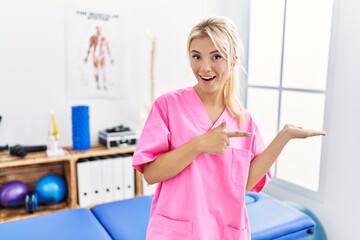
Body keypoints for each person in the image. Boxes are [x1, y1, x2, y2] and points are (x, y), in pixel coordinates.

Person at [132, 16, 326, 240]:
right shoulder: (168, 106)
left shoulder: (244, 121)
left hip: (225, 232)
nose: (204, 67)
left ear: (233, 61)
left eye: (216, 56)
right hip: (177, 232)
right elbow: (151, 174)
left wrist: (284, 136)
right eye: (196, 57)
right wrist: (198, 145)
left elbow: (244, 184)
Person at [84, 26, 114, 90]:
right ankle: (97, 85)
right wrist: (87, 57)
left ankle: (104, 84)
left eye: (99, 30)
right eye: (97, 30)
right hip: (95, 56)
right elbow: (89, 47)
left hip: (101, 56)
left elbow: (107, 48)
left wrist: (111, 58)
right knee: (96, 71)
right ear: (96, 30)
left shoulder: (103, 38)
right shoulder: (93, 38)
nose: (98, 31)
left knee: (103, 71)